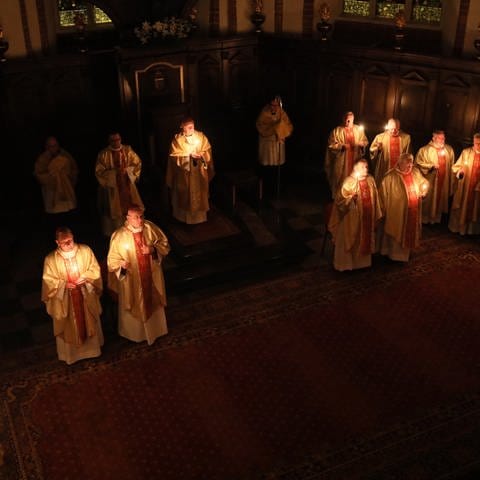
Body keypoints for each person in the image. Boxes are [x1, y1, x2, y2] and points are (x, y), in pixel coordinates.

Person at [107, 205, 170, 345]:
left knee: (152, 299)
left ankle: (156, 330)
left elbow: (164, 245)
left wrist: (152, 249)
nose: (140, 220)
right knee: (133, 300)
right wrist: (121, 265)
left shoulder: (150, 228)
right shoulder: (118, 236)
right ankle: (134, 334)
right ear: (128, 218)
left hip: (151, 275)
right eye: (136, 217)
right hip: (132, 278)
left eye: (141, 216)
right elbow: (112, 261)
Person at [41, 227, 103, 365]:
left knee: (89, 319)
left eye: (70, 240)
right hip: (66, 301)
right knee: (70, 324)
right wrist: (63, 285)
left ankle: (93, 351)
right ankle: (71, 355)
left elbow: (95, 269)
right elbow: (48, 281)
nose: (69, 244)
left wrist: (86, 278)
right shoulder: (51, 259)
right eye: (64, 242)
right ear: (57, 242)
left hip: (85, 295)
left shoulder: (85, 250)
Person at [328, 159, 382, 271]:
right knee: (350, 239)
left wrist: (376, 213)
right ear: (355, 168)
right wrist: (350, 198)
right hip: (350, 220)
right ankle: (346, 266)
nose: (366, 169)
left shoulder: (370, 180)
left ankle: (363, 264)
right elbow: (340, 201)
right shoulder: (349, 181)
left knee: (364, 238)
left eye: (366, 167)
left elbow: (375, 198)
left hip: (367, 218)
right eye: (362, 167)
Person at [379, 153, 429, 262]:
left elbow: (423, 183)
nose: (410, 165)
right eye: (407, 163)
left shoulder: (415, 172)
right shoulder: (390, 177)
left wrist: (424, 190)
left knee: (409, 232)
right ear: (400, 163)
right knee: (397, 232)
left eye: (411, 163)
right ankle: (394, 255)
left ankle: (406, 253)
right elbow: (382, 195)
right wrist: (383, 211)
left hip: (413, 211)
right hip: (397, 213)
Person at [95, 132, 144, 236]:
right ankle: (117, 234)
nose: (116, 142)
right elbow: (99, 172)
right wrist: (115, 173)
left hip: (127, 185)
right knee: (114, 210)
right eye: (113, 140)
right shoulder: (104, 154)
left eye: (118, 139)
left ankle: (133, 228)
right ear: (109, 141)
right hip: (113, 188)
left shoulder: (128, 150)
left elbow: (137, 163)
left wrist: (127, 171)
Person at [167, 117, 214, 224]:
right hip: (184, 175)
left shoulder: (201, 136)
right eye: (189, 127)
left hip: (199, 173)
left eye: (192, 126)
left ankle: (199, 218)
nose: (192, 129)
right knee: (184, 194)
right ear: (183, 128)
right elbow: (174, 157)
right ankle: (184, 218)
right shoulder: (177, 140)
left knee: (200, 194)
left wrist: (201, 156)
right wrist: (188, 157)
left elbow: (207, 151)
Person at [415, 130, 455, 224]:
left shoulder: (449, 150)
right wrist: (430, 166)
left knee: (440, 199)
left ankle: (436, 219)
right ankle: (425, 219)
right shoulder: (424, 150)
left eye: (443, 138)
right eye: (440, 138)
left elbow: (452, 166)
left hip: (443, 180)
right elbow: (418, 163)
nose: (442, 140)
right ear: (434, 138)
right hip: (430, 180)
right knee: (429, 200)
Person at [324, 111, 368, 198]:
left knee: (354, 178)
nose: (347, 122)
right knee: (340, 179)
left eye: (349, 121)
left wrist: (362, 145)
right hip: (342, 162)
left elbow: (365, 141)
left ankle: (353, 196)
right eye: (345, 120)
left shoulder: (358, 130)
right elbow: (331, 145)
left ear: (353, 120)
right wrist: (342, 146)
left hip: (355, 160)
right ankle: (339, 198)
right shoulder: (337, 131)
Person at [34, 136, 78, 218]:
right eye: (51, 146)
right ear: (46, 147)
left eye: (55, 145)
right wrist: (53, 176)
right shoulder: (43, 159)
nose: (53, 148)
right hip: (52, 194)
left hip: (66, 192)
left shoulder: (65, 155)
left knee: (67, 215)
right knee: (54, 217)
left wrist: (67, 177)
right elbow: (39, 174)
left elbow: (73, 169)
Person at [448, 133, 480, 235]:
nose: (478, 146)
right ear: (473, 142)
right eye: (476, 143)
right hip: (465, 187)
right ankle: (458, 228)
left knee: (475, 208)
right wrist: (460, 173)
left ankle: (471, 231)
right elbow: (456, 167)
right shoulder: (466, 153)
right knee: (462, 204)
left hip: (477, 188)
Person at [370, 118, 411, 186]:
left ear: (399, 127)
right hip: (385, 168)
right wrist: (377, 149)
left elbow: (408, 154)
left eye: (396, 128)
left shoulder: (406, 138)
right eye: (391, 129)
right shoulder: (380, 137)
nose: (394, 131)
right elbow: (372, 151)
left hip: (399, 169)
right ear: (388, 127)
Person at [256, 95, 293, 167]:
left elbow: (288, 124)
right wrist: (273, 127)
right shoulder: (264, 112)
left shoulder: (282, 112)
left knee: (277, 165)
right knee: (267, 165)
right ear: (269, 104)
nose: (274, 107)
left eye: (276, 105)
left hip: (277, 143)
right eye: (272, 105)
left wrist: (281, 126)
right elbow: (260, 125)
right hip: (267, 144)